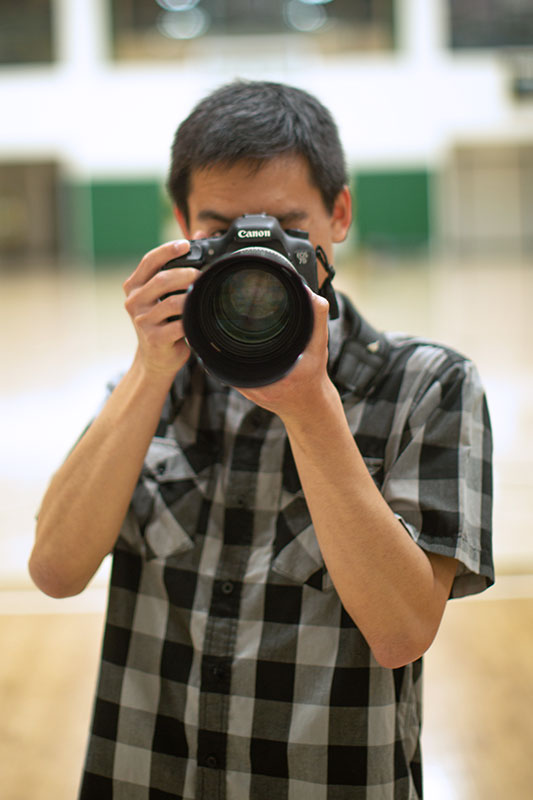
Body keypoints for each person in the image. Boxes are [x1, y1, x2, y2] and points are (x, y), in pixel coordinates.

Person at [29, 80, 494, 799]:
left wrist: (311, 411)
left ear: (338, 215)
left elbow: (401, 632)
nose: (256, 258)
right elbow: (55, 570)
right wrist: (149, 369)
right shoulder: (157, 385)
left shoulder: (425, 387)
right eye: (220, 229)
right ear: (180, 220)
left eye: (285, 226)